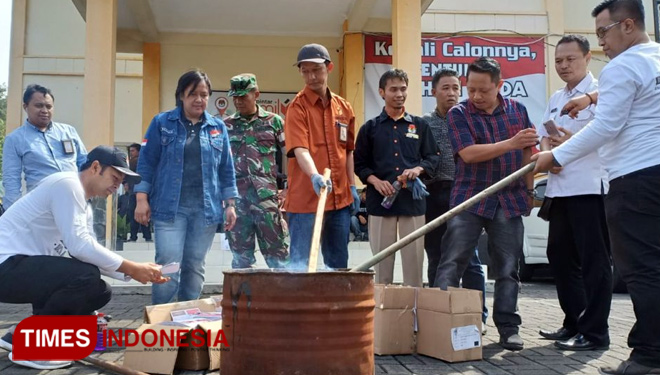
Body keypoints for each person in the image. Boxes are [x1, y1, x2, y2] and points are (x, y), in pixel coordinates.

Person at [533, 1, 660, 372]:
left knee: (642, 270)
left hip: (634, 178)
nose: (601, 39)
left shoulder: (623, 65)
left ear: (629, 25)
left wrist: (554, 158)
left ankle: (649, 356)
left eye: (604, 31)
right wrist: (589, 98)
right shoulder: (654, 58)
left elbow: (606, 127)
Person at [0, 146, 168, 370]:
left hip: (22, 269)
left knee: (99, 289)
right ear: (95, 167)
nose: (117, 187)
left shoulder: (82, 204)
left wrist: (135, 271)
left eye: (121, 182)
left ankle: (20, 336)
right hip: (6, 267)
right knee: (84, 276)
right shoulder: (67, 185)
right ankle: (34, 349)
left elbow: (87, 251)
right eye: (114, 178)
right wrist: (132, 267)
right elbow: (80, 247)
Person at [434, 57, 537, 351]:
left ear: (499, 86)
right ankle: (442, 323)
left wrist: (529, 192)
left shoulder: (518, 111)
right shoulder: (458, 113)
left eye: (484, 90)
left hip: (509, 198)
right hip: (469, 198)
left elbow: (528, 152)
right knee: (452, 262)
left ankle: (508, 327)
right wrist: (510, 144)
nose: (476, 96)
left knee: (508, 267)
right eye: (471, 89)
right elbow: (468, 154)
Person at [536, 34, 612, 352]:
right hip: (560, 186)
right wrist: (548, 156)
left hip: (589, 186)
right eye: (558, 61)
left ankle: (595, 333)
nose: (564, 66)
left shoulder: (603, 93)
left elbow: (603, 135)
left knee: (594, 260)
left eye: (571, 59)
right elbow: (543, 134)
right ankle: (574, 322)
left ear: (587, 58)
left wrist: (568, 146)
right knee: (559, 254)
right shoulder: (557, 96)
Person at [135, 70, 238, 304]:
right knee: (168, 266)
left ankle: (186, 321)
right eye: (193, 94)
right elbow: (146, 162)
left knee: (194, 266)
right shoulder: (162, 123)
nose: (199, 99)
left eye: (204, 94)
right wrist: (141, 199)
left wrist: (230, 204)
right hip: (170, 209)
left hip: (205, 211)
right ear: (181, 95)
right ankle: (162, 321)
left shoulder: (217, 127)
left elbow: (226, 168)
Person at [354, 69, 439, 287]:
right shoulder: (370, 128)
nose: (399, 94)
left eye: (403, 89)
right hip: (381, 204)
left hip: (413, 203)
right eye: (393, 89)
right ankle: (383, 316)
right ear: (382, 92)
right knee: (382, 266)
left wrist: (418, 170)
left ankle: (413, 316)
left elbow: (432, 157)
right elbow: (359, 164)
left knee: (414, 265)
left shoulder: (420, 126)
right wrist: (375, 181)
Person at [284, 43, 360, 269]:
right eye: (305, 71)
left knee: (338, 265)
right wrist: (315, 175)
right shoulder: (297, 108)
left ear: (329, 68)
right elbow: (300, 150)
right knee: (302, 266)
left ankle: (335, 305)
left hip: (339, 201)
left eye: (316, 70)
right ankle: (300, 305)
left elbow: (347, 150)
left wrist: (352, 186)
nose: (310, 77)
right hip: (306, 202)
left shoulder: (343, 108)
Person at [422, 68, 488, 326]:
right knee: (436, 256)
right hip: (432, 195)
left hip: (463, 193)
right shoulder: (423, 123)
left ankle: (477, 316)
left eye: (455, 89)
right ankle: (437, 316)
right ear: (433, 91)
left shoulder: (471, 119)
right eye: (445, 88)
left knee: (469, 258)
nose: (451, 93)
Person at [224, 73, 289, 268]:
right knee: (240, 258)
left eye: (243, 96)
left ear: (256, 94)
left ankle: (282, 297)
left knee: (278, 256)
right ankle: (244, 298)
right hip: (238, 201)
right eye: (235, 97)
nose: (238, 101)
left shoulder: (274, 121)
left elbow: (289, 155)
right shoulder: (226, 125)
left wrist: (287, 187)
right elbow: (220, 164)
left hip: (267, 199)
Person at [2, 84, 87, 209]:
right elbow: (11, 181)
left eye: (49, 106)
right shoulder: (14, 139)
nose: (44, 110)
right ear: (25, 107)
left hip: (74, 202)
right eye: (38, 105)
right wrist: (13, 213)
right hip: (42, 207)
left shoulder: (68, 132)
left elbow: (85, 165)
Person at [126, 143, 151, 242]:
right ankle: (136, 236)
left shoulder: (139, 162)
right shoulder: (135, 161)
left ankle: (145, 236)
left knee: (143, 215)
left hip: (142, 192)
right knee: (133, 215)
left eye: (133, 151)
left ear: (139, 151)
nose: (131, 153)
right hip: (134, 192)